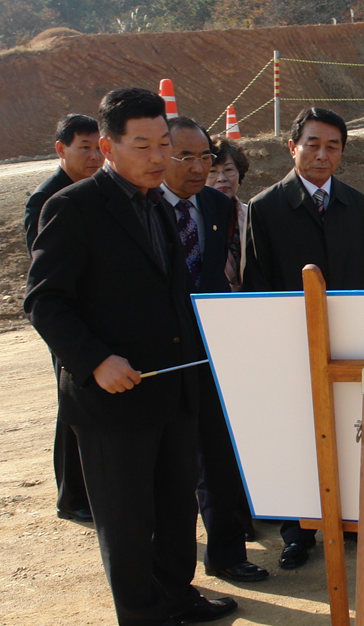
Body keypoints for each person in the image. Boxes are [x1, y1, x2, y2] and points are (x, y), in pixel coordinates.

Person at [24, 88, 237, 625]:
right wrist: (95, 360)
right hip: (113, 398)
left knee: (174, 510)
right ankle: (144, 616)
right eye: (142, 145)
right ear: (108, 146)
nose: (159, 157)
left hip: (173, 391)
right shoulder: (72, 208)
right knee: (125, 520)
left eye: (163, 144)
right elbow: (44, 301)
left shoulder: (158, 206)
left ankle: (177, 595)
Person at [241, 107, 364, 569]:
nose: (322, 156)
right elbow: (256, 284)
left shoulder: (358, 204)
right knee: (299, 436)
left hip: (351, 340)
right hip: (293, 345)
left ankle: (353, 519)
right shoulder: (265, 207)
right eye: (313, 145)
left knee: (353, 430)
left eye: (333, 147)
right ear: (293, 147)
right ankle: (297, 530)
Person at [161, 117, 269, 584]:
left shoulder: (215, 207)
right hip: (160, 356)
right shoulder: (142, 208)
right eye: (184, 157)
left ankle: (227, 552)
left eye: (204, 157)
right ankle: (170, 570)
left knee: (219, 455)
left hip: (210, 348)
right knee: (170, 467)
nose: (199, 167)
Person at [23, 113, 103, 523]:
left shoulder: (97, 192)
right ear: (61, 150)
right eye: (83, 148)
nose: (93, 156)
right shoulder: (48, 199)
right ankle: (72, 496)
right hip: (69, 323)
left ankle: (78, 493)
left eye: (97, 147)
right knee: (72, 408)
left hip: (96, 322)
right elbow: (45, 277)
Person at [206, 139, 249, 291]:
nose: (221, 178)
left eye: (229, 170)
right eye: (212, 171)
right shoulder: (195, 218)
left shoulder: (252, 215)